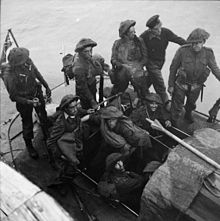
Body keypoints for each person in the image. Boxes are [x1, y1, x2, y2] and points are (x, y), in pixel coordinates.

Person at [1, 47, 51, 159]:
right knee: (27, 123)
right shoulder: (9, 75)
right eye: (22, 62)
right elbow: (13, 97)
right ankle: (29, 145)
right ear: (15, 64)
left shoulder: (28, 61)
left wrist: (46, 85)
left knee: (43, 114)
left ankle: (47, 132)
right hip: (24, 101)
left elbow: (36, 73)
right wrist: (29, 102)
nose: (25, 62)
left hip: (36, 92)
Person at [168, 28, 220, 125]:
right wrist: (170, 85)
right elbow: (173, 68)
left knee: (191, 104)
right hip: (181, 85)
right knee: (177, 106)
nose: (196, 45)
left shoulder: (208, 53)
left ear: (204, 42)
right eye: (193, 43)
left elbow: (215, 69)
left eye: (199, 42)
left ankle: (188, 114)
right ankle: (173, 122)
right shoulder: (182, 51)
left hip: (196, 86)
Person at [140, 15, 186, 107]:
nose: (159, 31)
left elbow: (178, 40)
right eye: (156, 29)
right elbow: (136, 46)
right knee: (159, 81)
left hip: (160, 61)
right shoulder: (144, 36)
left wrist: (190, 46)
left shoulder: (165, 32)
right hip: (150, 62)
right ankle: (166, 102)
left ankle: (141, 94)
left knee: (151, 79)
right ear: (150, 30)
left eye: (160, 27)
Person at [47, 94, 91, 169]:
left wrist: (86, 111)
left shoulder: (73, 112)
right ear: (65, 109)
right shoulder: (61, 123)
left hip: (77, 141)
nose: (75, 109)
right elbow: (50, 142)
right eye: (72, 107)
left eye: (75, 106)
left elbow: (79, 110)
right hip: (68, 148)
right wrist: (62, 156)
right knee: (70, 170)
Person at [110, 20, 148, 99]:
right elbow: (113, 60)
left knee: (143, 90)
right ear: (126, 34)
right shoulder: (117, 44)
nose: (134, 33)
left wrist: (137, 66)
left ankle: (143, 102)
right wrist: (123, 66)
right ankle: (111, 102)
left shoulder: (139, 42)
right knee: (118, 89)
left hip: (136, 70)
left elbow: (145, 58)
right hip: (122, 71)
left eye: (134, 31)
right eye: (132, 32)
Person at [73, 38, 103, 110]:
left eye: (90, 50)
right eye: (86, 52)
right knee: (87, 109)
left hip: (91, 86)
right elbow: (83, 87)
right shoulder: (78, 67)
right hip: (84, 94)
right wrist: (92, 101)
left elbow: (97, 70)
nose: (89, 53)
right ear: (81, 52)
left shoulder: (88, 58)